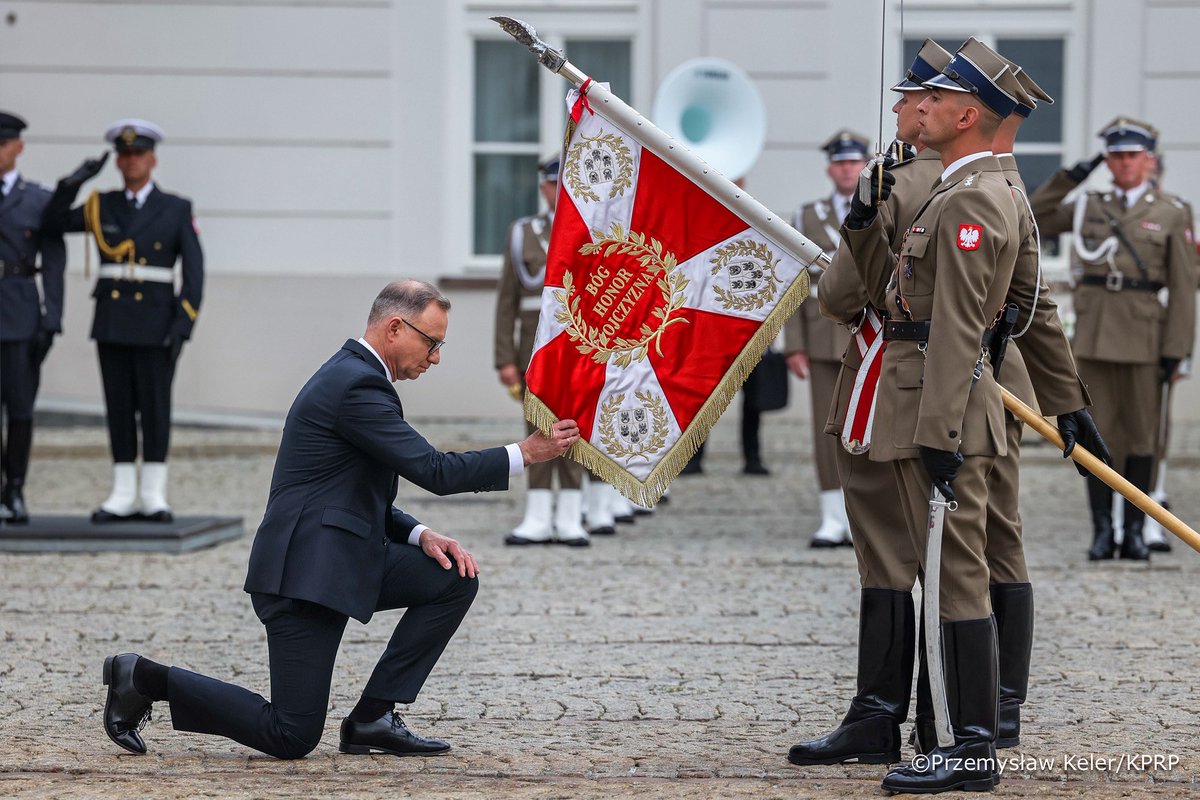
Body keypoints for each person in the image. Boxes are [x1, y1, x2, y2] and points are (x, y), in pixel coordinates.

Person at [101, 280, 581, 759]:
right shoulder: (355, 384)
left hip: (341, 556)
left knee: (453, 578)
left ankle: (373, 717)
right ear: (395, 328)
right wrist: (527, 452)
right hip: (303, 576)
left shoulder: (355, 377)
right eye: (432, 343)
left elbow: (348, 496)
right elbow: (434, 470)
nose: (435, 358)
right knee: (290, 735)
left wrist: (420, 533)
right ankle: (141, 677)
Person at [786, 40, 951, 769]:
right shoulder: (899, 178)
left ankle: (948, 724)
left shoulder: (949, 186)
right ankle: (881, 714)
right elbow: (839, 300)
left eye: (912, 98)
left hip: (928, 392)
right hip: (880, 383)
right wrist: (860, 222)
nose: (898, 109)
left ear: (944, 109)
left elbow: (843, 296)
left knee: (942, 562)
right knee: (887, 559)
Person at [1030, 118, 1196, 561]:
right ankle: (1103, 530)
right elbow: (1035, 213)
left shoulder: (1172, 210)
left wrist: (1177, 350)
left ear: (1148, 160)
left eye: (1132, 155)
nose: (1124, 163)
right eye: (1116, 155)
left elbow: (1183, 288)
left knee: (1143, 438)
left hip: (1146, 338)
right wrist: (1073, 176)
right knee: (1094, 435)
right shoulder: (1089, 205)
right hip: (1094, 335)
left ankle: (1136, 530)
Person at [44, 119, 204, 523]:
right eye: (124, 154)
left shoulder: (175, 208)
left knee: (154, 409)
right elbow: (53, 223)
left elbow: (195, 272)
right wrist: (76, 180)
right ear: (118, 161)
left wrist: (182, 325)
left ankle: (152, 493)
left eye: (138, 153)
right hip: (114, 320)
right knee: (118, 408)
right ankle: (122, 491)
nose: (131, 161)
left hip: (157, 322)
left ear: (152, 159)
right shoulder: (102, 204)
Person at [494, 156, 590, 546]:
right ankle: (536, 513)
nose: (559, 192)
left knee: (574, 428)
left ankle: (570, 514)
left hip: (579, 346)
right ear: (545, 188)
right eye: (554, 185)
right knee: (536, 425)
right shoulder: (524, 234)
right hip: (533, 349)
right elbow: (507, 300)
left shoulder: (592, 230)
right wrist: (504, 357)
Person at [783, 129, 868, 547]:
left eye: (854, 162)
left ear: (865, 165)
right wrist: (793, 344)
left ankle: (864, 514)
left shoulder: (883, 208)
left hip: (869, 334)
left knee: (868, 424)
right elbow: (796, 283)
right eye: (840, 163)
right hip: (820, 336)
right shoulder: (808, 216)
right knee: (825, 428)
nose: (847, 169)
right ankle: (833, 515)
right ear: (829, 168)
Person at [0, 111, 65, 524]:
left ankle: (15, 489)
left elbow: (55, 260)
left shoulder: (38, 199)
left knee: (21, 408)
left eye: (3, 144)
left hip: (21, 313)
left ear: (18, 148)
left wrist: (52, 317)